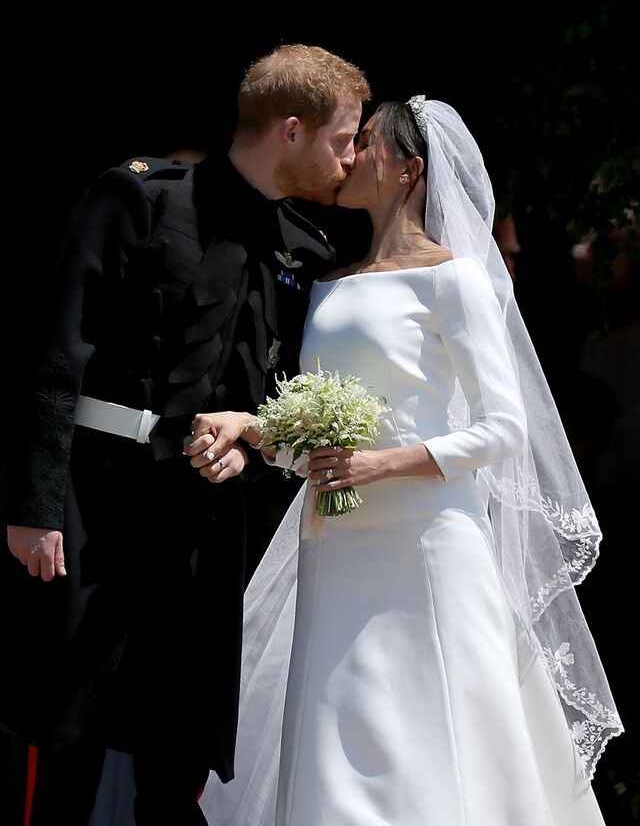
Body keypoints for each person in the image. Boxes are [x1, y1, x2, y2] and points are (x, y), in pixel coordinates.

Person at [185, 98, 622, 824]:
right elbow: (320, 434)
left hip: (426, 540)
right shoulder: (329, 280)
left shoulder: (453, 280)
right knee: (333, 732)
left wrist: (380, 465)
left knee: (433, 731)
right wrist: (254, 428)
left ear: (408, 171)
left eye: (366, 143)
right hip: (335, 539)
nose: (349, 154)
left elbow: (503, 428)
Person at [1, 44, 370, 826]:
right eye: (344, 138)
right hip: (94, 502)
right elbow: (57, 353)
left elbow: (282, 400)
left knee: (179, 746)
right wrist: (35, 505)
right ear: (293, 130)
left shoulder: (304, 249)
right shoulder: (137, 198)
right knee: (66, 730)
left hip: (205, 524)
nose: (352, 158)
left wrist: (249, 451)